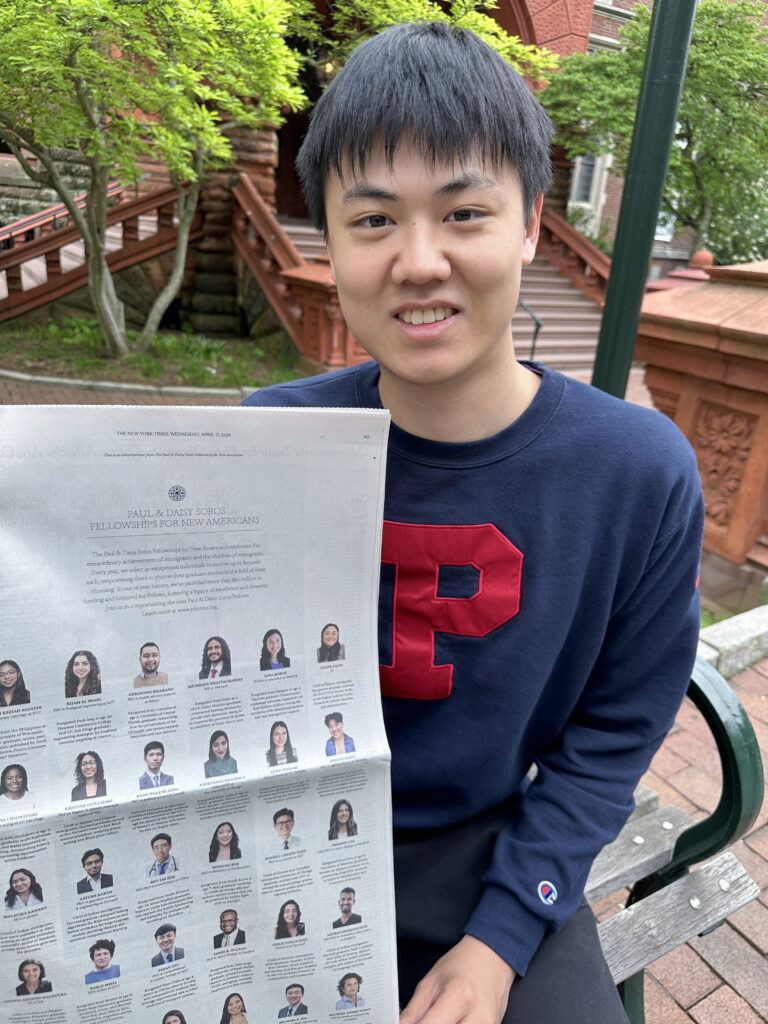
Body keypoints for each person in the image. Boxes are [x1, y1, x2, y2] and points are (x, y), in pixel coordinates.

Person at [242, 20, 704, 1024]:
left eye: (463, 212)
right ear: (327, 235)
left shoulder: (637, 473)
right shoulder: (258, 447)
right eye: (372, 221)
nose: (419, 260)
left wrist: (503, 933)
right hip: (268, 840)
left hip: (489, 847)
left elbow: (615, 731)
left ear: (533, 222)